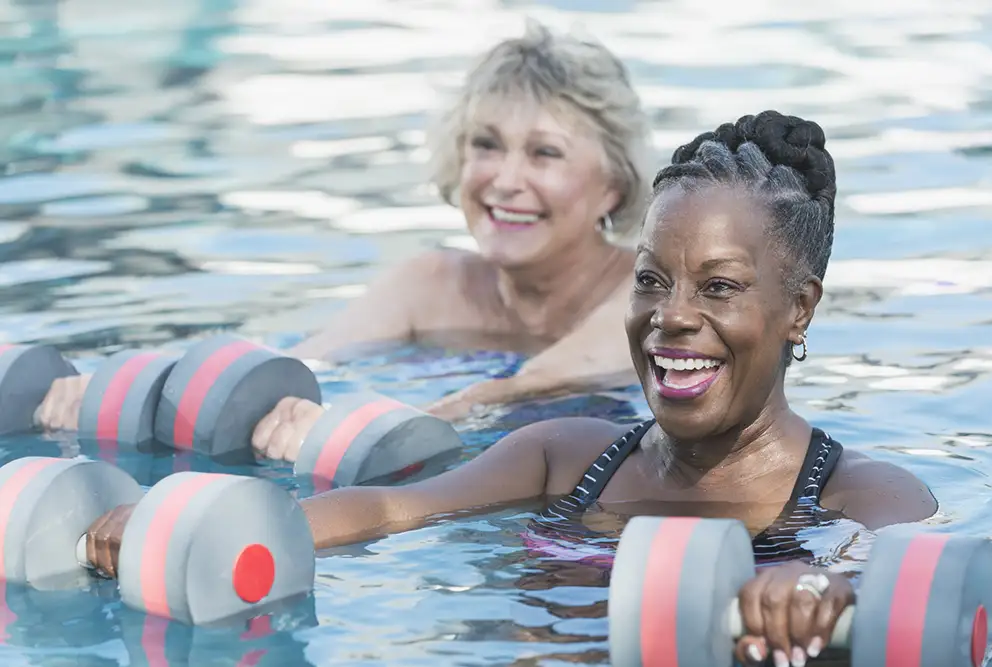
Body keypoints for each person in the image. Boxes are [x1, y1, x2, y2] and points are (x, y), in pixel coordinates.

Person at [84, 111, 937, 667]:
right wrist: (199, 521)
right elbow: (387, 512)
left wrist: (816, 593)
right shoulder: (566, 456)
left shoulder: (861, 494)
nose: (671, 317)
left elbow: (892, 585)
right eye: (650, 281)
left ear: (799, 309)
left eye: (718, 288)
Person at [30, 21, 653, 433]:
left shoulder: (649, 295)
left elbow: (514, 393)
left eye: (545, 153)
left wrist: (343, 431)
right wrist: (132, 393)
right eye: (486, 145)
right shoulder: (431, 282)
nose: (506, 179)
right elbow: (304, 364)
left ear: (614, 184)